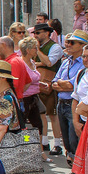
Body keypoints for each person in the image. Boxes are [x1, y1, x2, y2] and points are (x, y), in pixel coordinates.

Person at [53, 31, 88, 174]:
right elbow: (54, 83)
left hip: (74, 105)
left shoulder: (83, 63)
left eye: (72, 43)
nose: (68, 45)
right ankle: (75, 171)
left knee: (76, 140)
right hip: (62, 104)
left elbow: (74, 85)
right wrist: (63, 84)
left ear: (82, 46)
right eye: (67, 42)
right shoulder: (66, 61)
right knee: (67, 141)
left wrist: (62, 84)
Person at [34, 23, 64, 156]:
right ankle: (44, 142)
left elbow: (49, 62)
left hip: (50, 83)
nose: (36, 35)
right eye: (35, 33)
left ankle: (57, 144)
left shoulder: (55, 47)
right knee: (41, 115)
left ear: (47, 33)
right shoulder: (39, 46)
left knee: (53, 115)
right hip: (38, 83)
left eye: (38, 33)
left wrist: (38, 51)